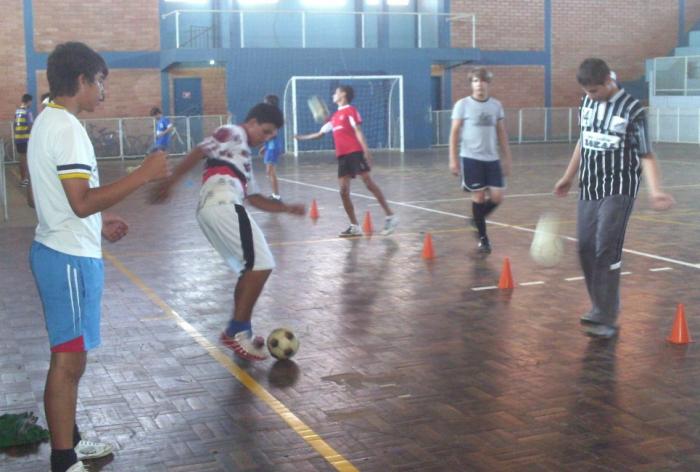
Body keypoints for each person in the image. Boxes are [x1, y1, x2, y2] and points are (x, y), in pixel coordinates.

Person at [27, 42, 168, 472]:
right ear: (83, 80)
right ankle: (63, 459)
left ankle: (70, 440)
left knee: (72, 360)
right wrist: (143, 175)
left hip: (66, 251)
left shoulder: (48, 122)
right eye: (100, 81)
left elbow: (47, 196)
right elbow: (80, 202)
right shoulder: (66, 128)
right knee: (68, 362)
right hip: (67, 260)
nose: (103, 91)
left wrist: (100, 220)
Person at [150, 103, 305, 360]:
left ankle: (242, 332)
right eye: (265, 132)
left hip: (217, 208)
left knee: (250, 268)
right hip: (222, 204)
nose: (265, 139)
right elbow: (200, 150)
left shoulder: (242, 157)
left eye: (271, 136)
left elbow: (255, 199)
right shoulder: (232, 132)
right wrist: (171, 181)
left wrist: (287, 208)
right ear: (252, 122)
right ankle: (235, 331)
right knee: (262, 263)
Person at [554, 58, 675, 339]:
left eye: (595, 90)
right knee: (584, 247)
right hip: (589, 187)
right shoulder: (586, 104)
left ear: (609, 80)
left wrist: (655, 190)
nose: (590, 96)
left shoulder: (633, 110)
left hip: (618, 189)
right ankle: (599, 306)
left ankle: (606, 315)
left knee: (605, 247)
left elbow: (646, 154)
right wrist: (568, 176)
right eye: (587, 92)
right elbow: (583, 141)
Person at [294, 85, 399, 237]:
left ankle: (391, 216)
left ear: (343, 94)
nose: (333, 95)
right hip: (342, 156)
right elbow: (319, 134)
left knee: (369, 183)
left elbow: (358, 131)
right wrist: (301, 137)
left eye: (336, 92)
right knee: (343, 191)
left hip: (355, 152)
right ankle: (355, 226)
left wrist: (366, 151)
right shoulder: (335, 117)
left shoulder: (351, 111)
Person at [449, 67, 512, 254]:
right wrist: (453, 158)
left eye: (483, 81)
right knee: (478, 196)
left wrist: (507, 158)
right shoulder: (462, 105)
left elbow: (501, 133)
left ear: (488, 83)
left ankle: (476, 220)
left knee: (497, 196)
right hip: (471, 158)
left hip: (492, 158)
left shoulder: (496, 106)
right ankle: (483, 239)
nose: (479, 84)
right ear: (471, 84)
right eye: (476, 81)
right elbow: (454, 132)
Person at [259, 94, 283, 200]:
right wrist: (265, 147)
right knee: (269, 172)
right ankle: (275, 195)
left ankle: (276, 196)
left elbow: (273, 133)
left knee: (270, 171)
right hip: (271, 146)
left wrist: (263, 139)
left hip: (273, 146)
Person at [14, 93, 33, 187]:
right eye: (31, 102)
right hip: (25, 138)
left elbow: (15, 124)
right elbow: (30, 126)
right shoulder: (27, 112)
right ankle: (26, 180)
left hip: (18, 138)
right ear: (29, 101)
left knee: (22, 159)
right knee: (27, 160)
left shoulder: (17, 111)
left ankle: (23, 179)